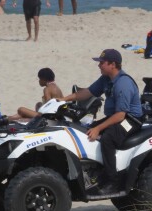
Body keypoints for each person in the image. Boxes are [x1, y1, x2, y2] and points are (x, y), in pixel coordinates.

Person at [57, 49, 143, 194]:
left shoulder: (123, 83)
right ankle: (97, 172)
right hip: (116, 116)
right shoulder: (106, 79)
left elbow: (121, 115)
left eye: (102, 63)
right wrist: (65, 99)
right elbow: (88, 92)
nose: (99, 65)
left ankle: (113, 181)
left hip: (130, 120)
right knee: (86, 130)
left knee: (108, 138)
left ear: (113, 64)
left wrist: (99, 129)